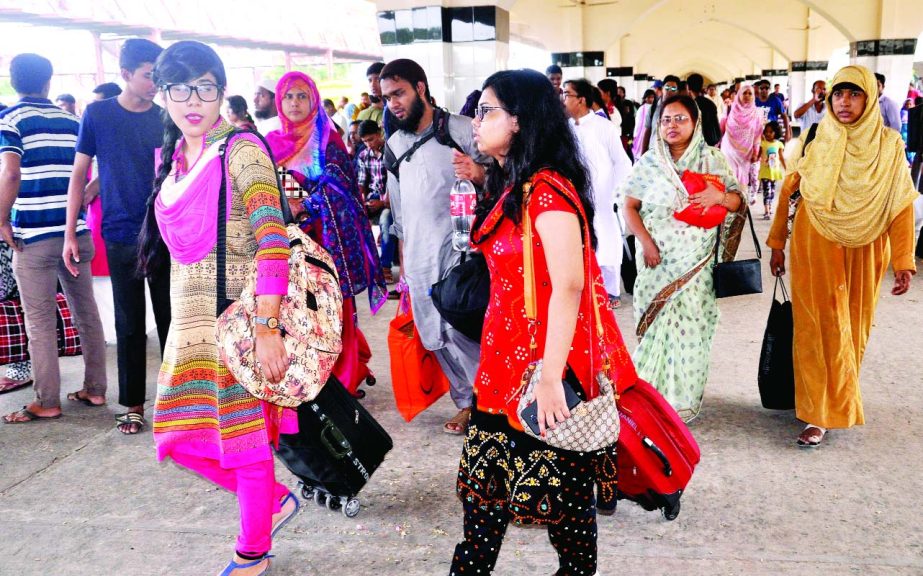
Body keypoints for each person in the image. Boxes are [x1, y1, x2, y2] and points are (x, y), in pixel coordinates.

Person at [451, 67, 629, 576]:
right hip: (504, 366)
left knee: (566, 508)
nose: (477, 121)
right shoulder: (515, 183)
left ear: (520, 121)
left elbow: (569, 283)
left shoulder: (546, 190)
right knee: (482, 502)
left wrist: (550, 379)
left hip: (544, 369)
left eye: (487, 111)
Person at [138, 41, 298, 575]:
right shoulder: (171, 156)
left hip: (240, 319)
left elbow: (272, 240)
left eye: (205, 87)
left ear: (221, 91)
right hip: (188, 325)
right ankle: (272, 498)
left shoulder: (241, 149)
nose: (193, 100)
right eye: (179, 88)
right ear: (161, 95)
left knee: (245, 442)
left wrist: (268, 327)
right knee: (177, 439)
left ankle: (252, 550)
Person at [768, 65, 917, 447]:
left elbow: (900, 204)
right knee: (815, 328)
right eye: (838, 94)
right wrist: (778, 245)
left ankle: (833, 402)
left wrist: (903, 260)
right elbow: (790, 189)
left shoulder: (888, 145)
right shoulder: (819, 140)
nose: (844, 102)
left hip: (864, 249)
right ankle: (818, 413)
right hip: (813, 242)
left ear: (870, 98)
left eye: (853, 94)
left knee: (851, 328)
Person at [64, 38, 171, 435]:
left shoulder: (165, 117)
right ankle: (132, 404)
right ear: (126, 75)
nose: (155, 83)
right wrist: (70, 231)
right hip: (120, 232)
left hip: (164, 233)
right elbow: (79, 175)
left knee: (171, 321)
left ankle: (181, 401)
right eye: (148, 75)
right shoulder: (97, 115)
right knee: (128, 323)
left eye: (158, 75)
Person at [622, 94, 745, 421]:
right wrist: (646, 242)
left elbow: (737, 202)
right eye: (665, 120)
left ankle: (682, 402)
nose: (672, 126)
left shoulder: (713, 160)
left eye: (680, 119)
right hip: (655, 266)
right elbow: (629, 207)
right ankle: (650, 399)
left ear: (695, 123)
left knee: (691, 329)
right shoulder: (649, 163)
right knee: (654, 333)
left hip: (697, 267)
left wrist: (719, 195)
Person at [380, 58, 487, 434]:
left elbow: (507, 176)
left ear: (420, 88)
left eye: (399, 93)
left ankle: (490, 400)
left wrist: (479, 173)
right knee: (432, 333)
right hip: (421, 254)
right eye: (387, 97)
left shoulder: (460, 129)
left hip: (464, 251)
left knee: (462, 326)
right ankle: (466, 401)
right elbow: (399, 209)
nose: (393, 103)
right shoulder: (394, 146)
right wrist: (405, 262)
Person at [0, 53, 108, 423]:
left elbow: (10, 175)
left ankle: (46, 400)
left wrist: (1, 220)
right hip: (76, 233)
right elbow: (103, 168)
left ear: (14, 82)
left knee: (40, 321)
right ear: (48, 81)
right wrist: (89, 194)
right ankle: (95, 389)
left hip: (34, 238)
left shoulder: (10, 120)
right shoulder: (71, 119)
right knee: (87, 313)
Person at [265, 71, 386, 396]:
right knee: (297, 307)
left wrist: (306, 201)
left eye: (301, 96)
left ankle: (341, 376)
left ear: (313, 100)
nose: (294, 103)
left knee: (332, 304)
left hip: (326, 238)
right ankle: (305, 369)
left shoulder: (326, 139)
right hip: (287, 238)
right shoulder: (270, 141)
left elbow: (341, 185)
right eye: (288, 96)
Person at [563, 79, 632, 308]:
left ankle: (611, 292)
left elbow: (622, 162)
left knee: (607, 242)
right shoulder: (566, 130)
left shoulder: (604, 127)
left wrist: (616, 194)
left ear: (581, 100)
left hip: (604, 197)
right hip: (577, 196)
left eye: (567, 95)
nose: (563, 99)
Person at [357, 120, 397, 287]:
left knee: (386, 221)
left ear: (380, 133)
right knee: (355, 221)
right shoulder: (364, 155)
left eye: (371, 139)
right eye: (365, 141)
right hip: (374, 196)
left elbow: (395, 182)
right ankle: (363, 268)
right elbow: (362, 183)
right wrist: (362, 204)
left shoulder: (391, 150)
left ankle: (385, 267)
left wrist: (382, 202)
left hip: (392, 199)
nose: (369, 144)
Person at [720, 84, 764, 205]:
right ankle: (726, 209)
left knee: (742, 185)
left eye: (750, 93)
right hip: (728, 151)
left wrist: (756, 152)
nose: (747, 96)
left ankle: (739, 211)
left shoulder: (756, 113)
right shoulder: (730, 109)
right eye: (744, 93)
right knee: (728, 181)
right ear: (739, 94)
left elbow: (757, 135)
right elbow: (722, 127)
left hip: (745, 153)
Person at [758, 121, 786, 219]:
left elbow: (782, 157)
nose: (768, 134)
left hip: (775, 172)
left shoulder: (779, 144)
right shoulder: (763, 144)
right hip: (765, 172)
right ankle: (767, 211)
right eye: (766, 131)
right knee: (767, 191)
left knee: (772, 192)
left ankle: (769, 207)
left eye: (771, 132)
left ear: (776, 132)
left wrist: (787, 168)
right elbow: (758, 156)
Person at [686, 73, 721, 146]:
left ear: (688, 87)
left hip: (694, 143)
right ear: (702, 86)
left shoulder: (690, 105)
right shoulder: (710, 103)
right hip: (709, 141)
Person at [632, 89, 656, 160]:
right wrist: (635, 134)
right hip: (642, 132)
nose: (651, 99)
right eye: (649, 97)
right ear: (645, 98)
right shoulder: (642, 108)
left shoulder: (655, 108)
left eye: (652, 97)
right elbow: (638, 122)